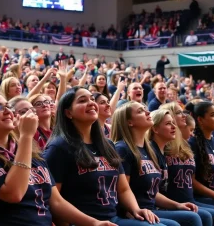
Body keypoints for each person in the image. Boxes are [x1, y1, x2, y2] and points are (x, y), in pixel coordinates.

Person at [0, 91, 114, 226]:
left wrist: (94, 223)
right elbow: (14, 194)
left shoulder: (30, 153)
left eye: (8, 106)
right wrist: (26, 136)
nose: (7, 111)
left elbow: (56, 202)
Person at [44, 87, 161, 225]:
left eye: (92, 99)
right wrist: (94, 223)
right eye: (82, 100)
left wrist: (136, 209)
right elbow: (54, 201)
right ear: (68, 113)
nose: (91, 103)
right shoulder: (58, 148)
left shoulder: (108, 145)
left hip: (112, 219)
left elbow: (123, 189)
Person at [111, 101, 202, 226]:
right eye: (140, 111)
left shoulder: (148, 150)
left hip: (150, 209)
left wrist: (177, 205)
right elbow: (122, 189)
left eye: (146, 109)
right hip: (134, 212)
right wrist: (133, 210)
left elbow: (153, 193)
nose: (148, 112)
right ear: (129, 122)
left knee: (193, 216)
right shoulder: (122, 148)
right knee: (186, 220)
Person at [150, 108, 214, 225]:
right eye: (169, 123)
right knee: (199, 217)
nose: (183, 115)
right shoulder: (153, 151)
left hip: (185, 200)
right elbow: (145, 190)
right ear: (155, 128)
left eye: (173, 123)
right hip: (162, 203)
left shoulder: (185, 146)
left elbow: (191, 177)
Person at [186, 101, 214, 204]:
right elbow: (191, 181)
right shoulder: (192, 144)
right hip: (202, 198)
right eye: (213, 115)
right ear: (200, 119)